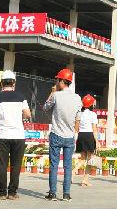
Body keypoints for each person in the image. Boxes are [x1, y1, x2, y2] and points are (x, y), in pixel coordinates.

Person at [0, 70, 31, 200]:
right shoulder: (21, 96)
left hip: (3, 135)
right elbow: (27, 114)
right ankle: (12, 193)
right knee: (15, 165)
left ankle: (1, 193)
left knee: (2, 164)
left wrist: (1, 118)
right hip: (18, 135)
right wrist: (19, 117)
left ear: (2, 83)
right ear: (14, 83)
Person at [43, 68, 82, 201]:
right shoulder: (77, 98)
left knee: (54, 165)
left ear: (61, 81)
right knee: (68, 166)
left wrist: (52, 92)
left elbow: (45, 107)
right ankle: (66, 194)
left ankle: (53, 193)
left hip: (56, 134)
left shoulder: (56, 95)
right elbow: (78, 118)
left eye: (57, 80)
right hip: (69, 136)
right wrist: (75, 133)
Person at [77, 94, 99, 187]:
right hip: (89, 135)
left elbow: (76, 127)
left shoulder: (79, 114)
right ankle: (81, 178)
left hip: (81, 135)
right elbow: (94, 129)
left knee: (82, 159)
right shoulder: (93, 114)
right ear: (91, 104)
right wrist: (97, 141)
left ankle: (83, 180)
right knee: (90, 159)